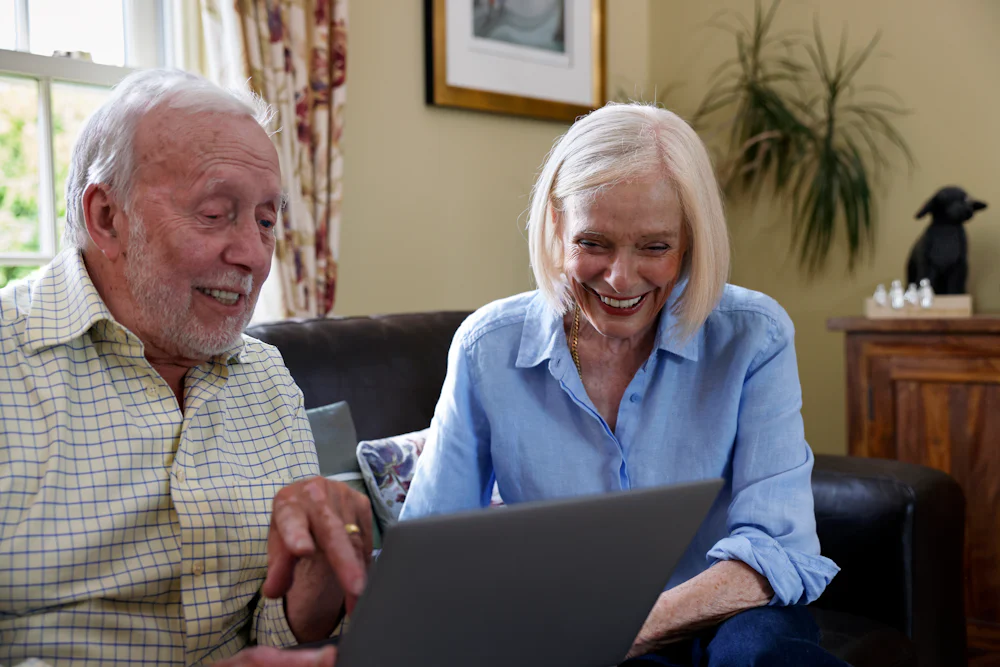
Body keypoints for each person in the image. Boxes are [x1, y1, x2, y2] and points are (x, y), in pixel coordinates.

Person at [399, 103, 848, 666]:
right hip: (570, 629)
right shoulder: (486, 348)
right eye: (594, 243)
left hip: (732, 612)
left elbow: (778, 546)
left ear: (689, 240)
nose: (619, 277)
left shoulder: (754, 336)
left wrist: (632, 627)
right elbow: (432, 551)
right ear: (557, 227)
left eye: (654, 247)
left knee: (762, 654)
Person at [0, 69, 371, 666]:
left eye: (266, 221)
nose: (252, 254)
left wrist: (322, 569)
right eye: (215, 213)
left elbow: (278, 629)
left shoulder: (267, 379)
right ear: (106, 218)